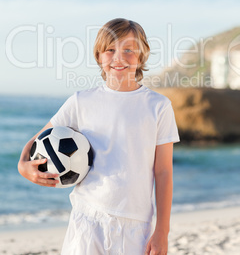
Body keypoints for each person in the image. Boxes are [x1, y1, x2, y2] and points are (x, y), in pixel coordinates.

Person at [18, 18, 180, 255]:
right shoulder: (81, 101)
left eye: (129, 50)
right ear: (98, 55)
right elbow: (38, 139)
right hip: (87, 218)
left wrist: (162, 232)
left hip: (135, 225)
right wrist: (23, 165)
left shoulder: (158, 106)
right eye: (110, 50)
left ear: (142, 55)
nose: (119, 58)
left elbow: (163, 171)